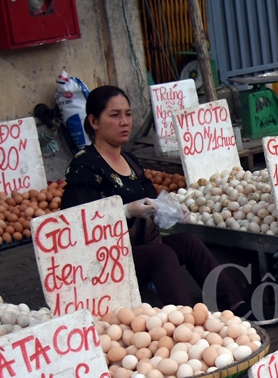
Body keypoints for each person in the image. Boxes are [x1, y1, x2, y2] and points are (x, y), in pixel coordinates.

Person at [63, 85, 251, 319]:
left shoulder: (130, 160)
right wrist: (126, 211)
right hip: (106, 262)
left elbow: (152, 201)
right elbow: (78, 225)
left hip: (140, 247)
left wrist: (171, 211)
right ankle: (186, 323)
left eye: (128, 114)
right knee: (161, 254)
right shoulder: (84, 167)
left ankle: (237, 306)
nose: (124, 122)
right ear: (94, 121)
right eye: (114, 115)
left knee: (189, 242)